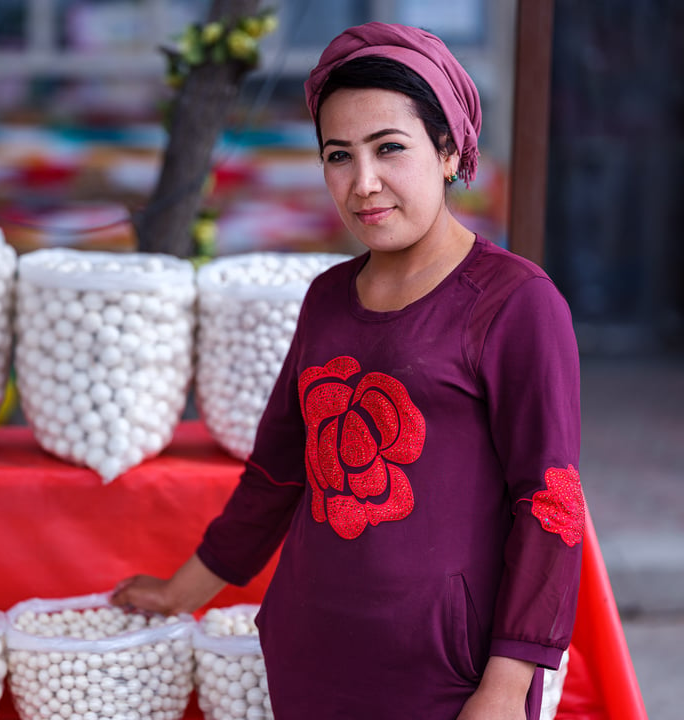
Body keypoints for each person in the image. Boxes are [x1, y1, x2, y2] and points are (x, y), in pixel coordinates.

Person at [112, 21, 584, 720]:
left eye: (390, 148)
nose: (364, 184)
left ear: (450, 150)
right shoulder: (327, 298)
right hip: (312, 651)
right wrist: (182, 592)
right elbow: (276, 471)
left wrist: (509, 685)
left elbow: (549, 506)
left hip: (448, 673)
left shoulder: (516, 303)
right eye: (339, 156)